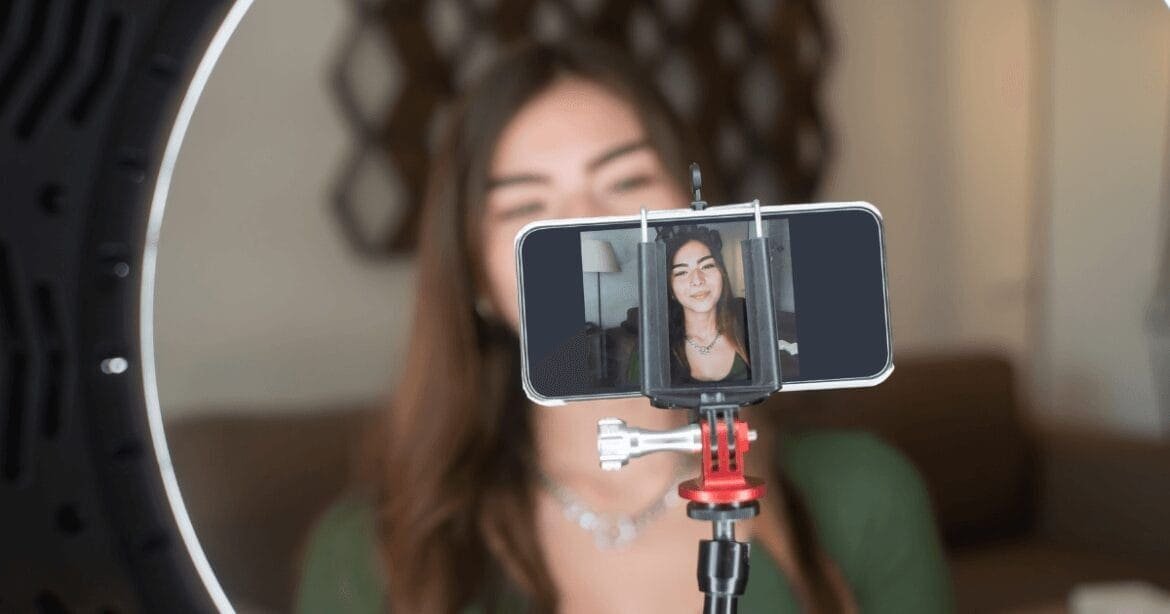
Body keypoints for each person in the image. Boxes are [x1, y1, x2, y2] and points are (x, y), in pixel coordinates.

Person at [296, 38, 954, 614]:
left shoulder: (865, 496)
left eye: (627, 180)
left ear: (703, 225)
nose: (588, 229)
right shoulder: (370, 554)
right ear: (478, 281)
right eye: (527, 204)